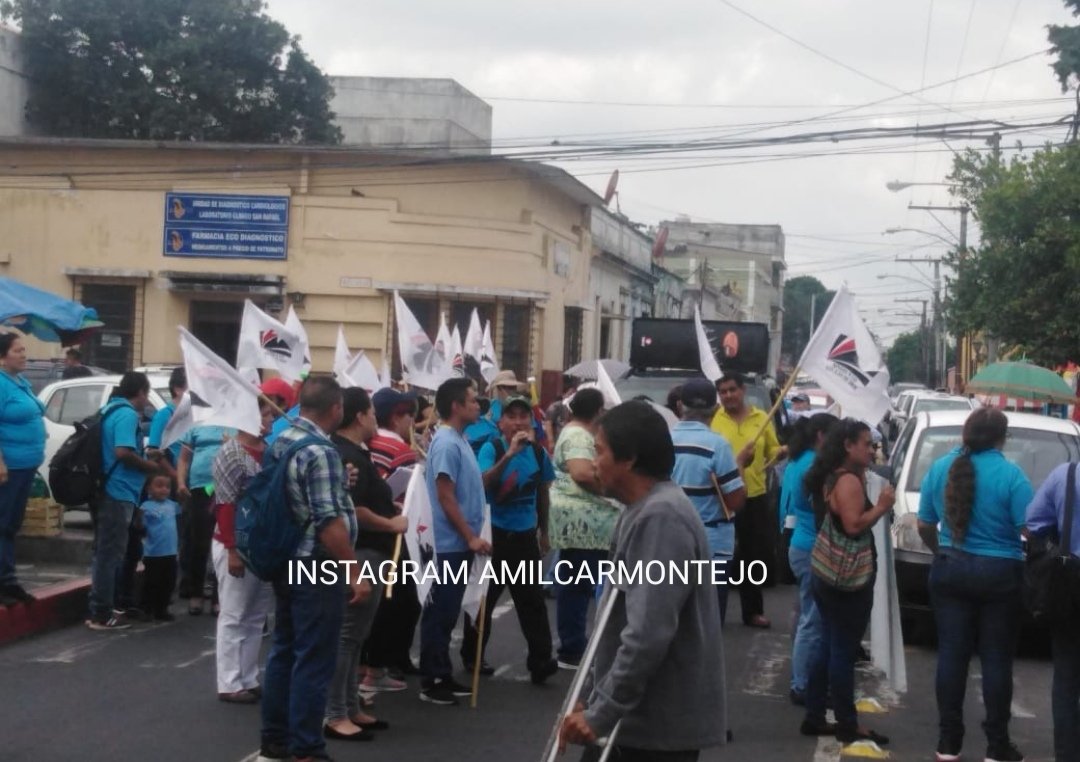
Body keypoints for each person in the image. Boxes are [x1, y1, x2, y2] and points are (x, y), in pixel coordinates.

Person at [558, 401, 727, 762]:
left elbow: (647, 632)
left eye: (599, 452)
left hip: (651, 732)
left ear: (629, 459)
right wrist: (590, 696)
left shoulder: (661, 518)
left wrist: (602, 711)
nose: (593, 463)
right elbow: (614, 624)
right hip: (633, 723)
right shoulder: (643, 509)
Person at [258, 377, 370, 762]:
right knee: (315, 658)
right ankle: (307, 747)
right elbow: (328, 523)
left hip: (287, 557)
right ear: (336, 408)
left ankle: (275, 739)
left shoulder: (282, 440)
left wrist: (342, 481)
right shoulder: (321, 452)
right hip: (318, 565)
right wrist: (354, 572)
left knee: (285, 650)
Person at [918, 408, 1032, 762]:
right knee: (997, 660)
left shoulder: (939, 469)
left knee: (952, 655)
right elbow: (1028, 530)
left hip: (951, 570)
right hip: (1000, 574)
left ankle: (948, 743)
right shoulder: (1013, 477)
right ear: (1002, 437)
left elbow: (924, 524)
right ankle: (997, 746)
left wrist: (942, 551)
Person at [801, 419, 893, 746]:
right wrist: (881, 506)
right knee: (842, 650)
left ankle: (815, 714)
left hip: (827, 574)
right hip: (847, 579)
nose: (872, 449)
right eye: (867, 444)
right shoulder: (848, 482)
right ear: (848, 445)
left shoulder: (834, 477)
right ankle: (846, 723)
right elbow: (854, 525)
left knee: (827, 644)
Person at [324, 387, 407, 741]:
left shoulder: (357, 453)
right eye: (372, 411)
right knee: (346, 636)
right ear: (359, 416)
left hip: (372, 552)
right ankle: (334, 713)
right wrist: (390, 523)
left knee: (357, 637)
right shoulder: (349, 458)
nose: (376, 418)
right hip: (361, 553)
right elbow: (352, 511)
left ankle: (350, 705)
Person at [462, 393, 559, 683]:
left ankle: (541, 661)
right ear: (501, 421)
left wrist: (544, 531)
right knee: (484, 601)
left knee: (532, 603)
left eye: (523, 416)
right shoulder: (491, 448)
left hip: (524, 535)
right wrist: (510, 455)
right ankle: (473, 657)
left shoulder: (539, 453)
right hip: (494, 536)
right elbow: (483, 482)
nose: (518, 422)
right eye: (511, 416)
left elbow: (542, 492)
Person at [419, 377, 491, 706]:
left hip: (459, 545)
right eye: (473, 400)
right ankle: (432, 679)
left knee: (448, 613)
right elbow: (445, 496)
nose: (478, 405)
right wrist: (470, 537)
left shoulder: (459, 439)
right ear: (456, 406)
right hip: (449, 545)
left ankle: (443, 672)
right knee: (441, 612)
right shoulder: (447, 443)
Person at [211, 393, 276, 704]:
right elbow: (225, 503)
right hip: (236, 541)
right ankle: (229, 681)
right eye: (266, 415)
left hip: (263, 542)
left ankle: (249, 677)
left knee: (256, 614)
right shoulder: (231, 452)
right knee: (235, 612)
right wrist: (232, 549)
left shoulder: (268, 451)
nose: (270, 421)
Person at [548, 388, 620, 670]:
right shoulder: (578, 435)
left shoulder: (572, 430)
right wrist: (611, 488)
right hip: (583, 523)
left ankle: (573, 645)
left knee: (576, 584)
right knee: (577, 586)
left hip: (584, 523)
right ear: (597, 411)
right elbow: (581, 473)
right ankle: (572, 648)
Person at [670, 379, 748, 626]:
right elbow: (735, 500)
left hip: (670, 540)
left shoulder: (664, 439)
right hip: (711, 544)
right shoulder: (718, 445)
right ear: (716, 409)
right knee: (707, 626)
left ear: (681, 406)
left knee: (672, 621)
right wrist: (741, 466)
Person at [87, 372, 160, 630]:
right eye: (146, 393)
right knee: (110, 554)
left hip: (106, 488)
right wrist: (149, 466)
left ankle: (98, 607)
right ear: (139, 391)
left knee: (103, 552)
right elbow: (122, 451)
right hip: (118, 490)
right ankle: (101, 613)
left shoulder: (109, 409)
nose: (146, 400)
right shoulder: (127, 414)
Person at [711, 372, 784, 628]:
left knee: (753, 555)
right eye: (723, 392)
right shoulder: (714, 420)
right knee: (718, 554)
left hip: (754, 494)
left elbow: (773, 449)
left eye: (732, 390)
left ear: (742, 390)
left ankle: (752, 611)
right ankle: (711, 612)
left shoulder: (761, 418)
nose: (728, 395)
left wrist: (781, 451)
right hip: (720, 496)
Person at [364, 386, 422, 690]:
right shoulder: (401, 450)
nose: (412, 421)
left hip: (365, 531)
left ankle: (368, 664)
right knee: (401, 602)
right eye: (410, 415)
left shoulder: (367, 443)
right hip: (392, 530)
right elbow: (407, 495)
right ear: (398, 416)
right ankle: (382, 665)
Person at [780, 413, 839, 706]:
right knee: (812, 620)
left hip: (799, 542)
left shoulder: (797, 460)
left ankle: (800, 673)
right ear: (820, 435)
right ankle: (801, 683)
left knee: (805, 614)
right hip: (811, 545)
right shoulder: (813, 465)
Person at [1026, 461, 1080, 762]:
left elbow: (1034, 523)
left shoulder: (1065, 475)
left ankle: (1067, 755)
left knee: (1066, 677)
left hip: (1070, 582)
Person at [0, 333, 46, 606]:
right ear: (3, 356)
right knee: (4, 524)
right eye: (18, 350)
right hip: (11, 466)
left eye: (24, 349)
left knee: (12, 524)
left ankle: (9, 579)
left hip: (26, 465)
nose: (24, 354)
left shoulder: (20, 382)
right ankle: (6, 583)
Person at [177, 422, 235, 615]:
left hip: (226, 486)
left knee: (224, 541)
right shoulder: (196, 426)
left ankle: (219, 596)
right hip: (200, 488)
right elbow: (184, 459)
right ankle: (196, 593)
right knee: (198, 541)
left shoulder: (235, 424)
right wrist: (180, 482)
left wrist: (231, 444)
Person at [138, 473, 180, 622]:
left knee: (168, 582)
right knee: (151, 582)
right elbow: (139, 525)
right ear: (149, 489)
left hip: (170, 552)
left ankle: (162, 609)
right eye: (159, 486)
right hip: (153, 553)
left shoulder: (173, 505)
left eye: (167, 487)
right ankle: (146, 608)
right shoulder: (145, 507)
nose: (164, 489)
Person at [147, 366, 187, 482]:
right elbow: (153, 451)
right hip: (173, 482)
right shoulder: (164, 415)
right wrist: (176, 476)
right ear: (177, 389)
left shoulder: (194, 415)